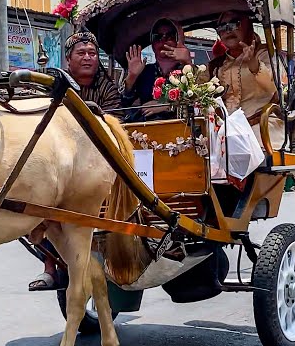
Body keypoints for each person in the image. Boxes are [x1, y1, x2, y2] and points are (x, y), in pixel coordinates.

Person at [27, 30, 125, 291]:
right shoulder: (56, 86)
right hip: (63, 160)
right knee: (42, 207)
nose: (88, 58)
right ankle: (50, 267)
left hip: (100, 159)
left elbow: (114, 125)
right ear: (68, 60)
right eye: (81, 53)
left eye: (92, 53)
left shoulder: (107, 87)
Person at [205, 10, 283, 148]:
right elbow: (197, 90)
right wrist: (186, 61)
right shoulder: (217, 66)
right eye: (222, 27)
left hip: (262, 127)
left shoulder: (265, 54)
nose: (227, 30)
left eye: (234, 23)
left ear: (248, 26)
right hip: (225, 131)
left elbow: (274, 87)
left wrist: (253, 64)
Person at [119, 17, 192, 122]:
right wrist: (132, 77)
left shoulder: (189, 71)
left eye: (170, 36)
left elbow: (199, 104)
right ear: (152, 44)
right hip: (146, 133)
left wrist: (168, 105)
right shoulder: (144, 72)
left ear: (180, 39)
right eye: (157, 37)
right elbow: (124, 106)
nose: (163, 41)